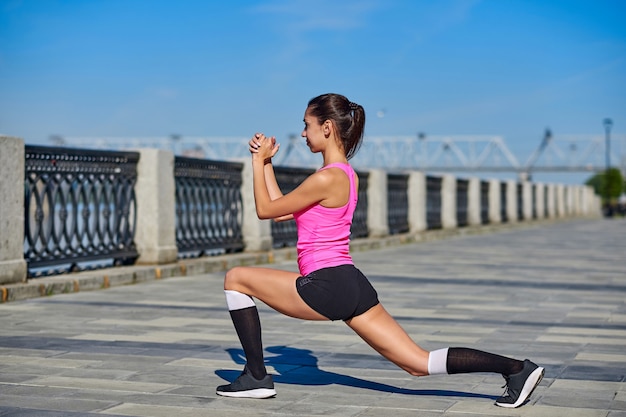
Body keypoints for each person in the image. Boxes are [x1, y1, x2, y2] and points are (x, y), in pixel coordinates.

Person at [216, 93, 544, 408]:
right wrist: (269, 163)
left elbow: (264, 210)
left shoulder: (327, 179)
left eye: (307, 124)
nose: (303, 133)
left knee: (236, 278)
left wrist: (257, 162)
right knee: (418, 362)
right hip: (351, 284)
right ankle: (517, 369)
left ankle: (256, 376)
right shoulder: (342, 175)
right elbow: (282, 210)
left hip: (326, 284)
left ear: (326, 127)